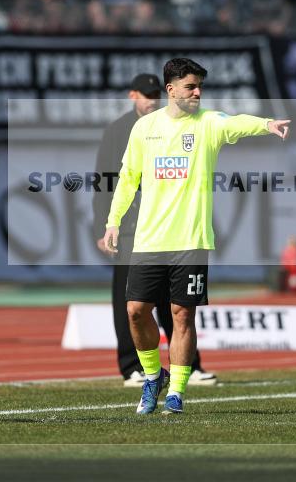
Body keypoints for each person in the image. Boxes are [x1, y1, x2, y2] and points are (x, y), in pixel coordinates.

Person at [102, 58, 290, 414]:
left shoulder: (208, 124)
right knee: (136, 311)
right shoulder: (145, 128)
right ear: (171, 90)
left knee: (181, 316)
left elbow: (236, 123)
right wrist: (113, 222)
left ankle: (176, 390)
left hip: (192, 240)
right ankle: (152, 376)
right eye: (190, 86)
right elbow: (127, 178)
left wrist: (266, 124)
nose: (197, 92)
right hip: (148, 241)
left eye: (200, 86)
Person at [92, 73, 216, 388]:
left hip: (167, 227)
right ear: (133, 95)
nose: (152, 100)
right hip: (132, 230)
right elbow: (106, 182)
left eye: (155, 94)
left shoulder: (169, 123)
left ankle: (189, 366)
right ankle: (132, 367)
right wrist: (105, 225)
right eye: (146, 94)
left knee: (174, 303)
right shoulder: (119, 130)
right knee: (131, 302)